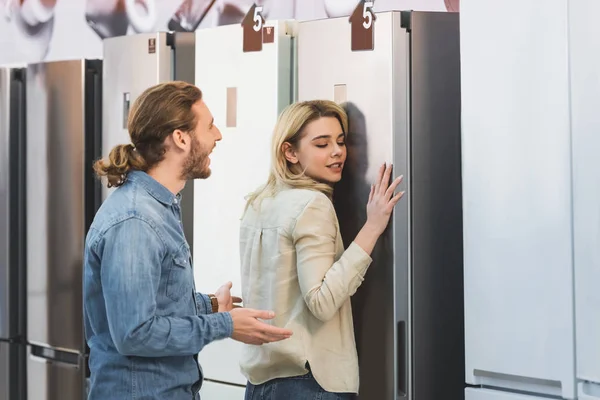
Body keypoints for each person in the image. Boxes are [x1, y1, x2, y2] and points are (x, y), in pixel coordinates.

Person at [83, 81, 293, 400]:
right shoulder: (136, 220)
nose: (218, 135)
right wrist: (225, 325)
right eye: (209, 126)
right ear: (180, 138)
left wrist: (207, 305)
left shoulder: (159, 207)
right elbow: (134, 334)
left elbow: (154, 304)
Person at [239, 100, 404, 399]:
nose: (337, 151)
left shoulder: (258, 202)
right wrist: (373, 226)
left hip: (261, 385)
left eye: (341, 141)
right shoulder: (312, 204)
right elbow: (322, 301)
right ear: (289, 152)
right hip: (310, 381)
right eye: (321, 144)